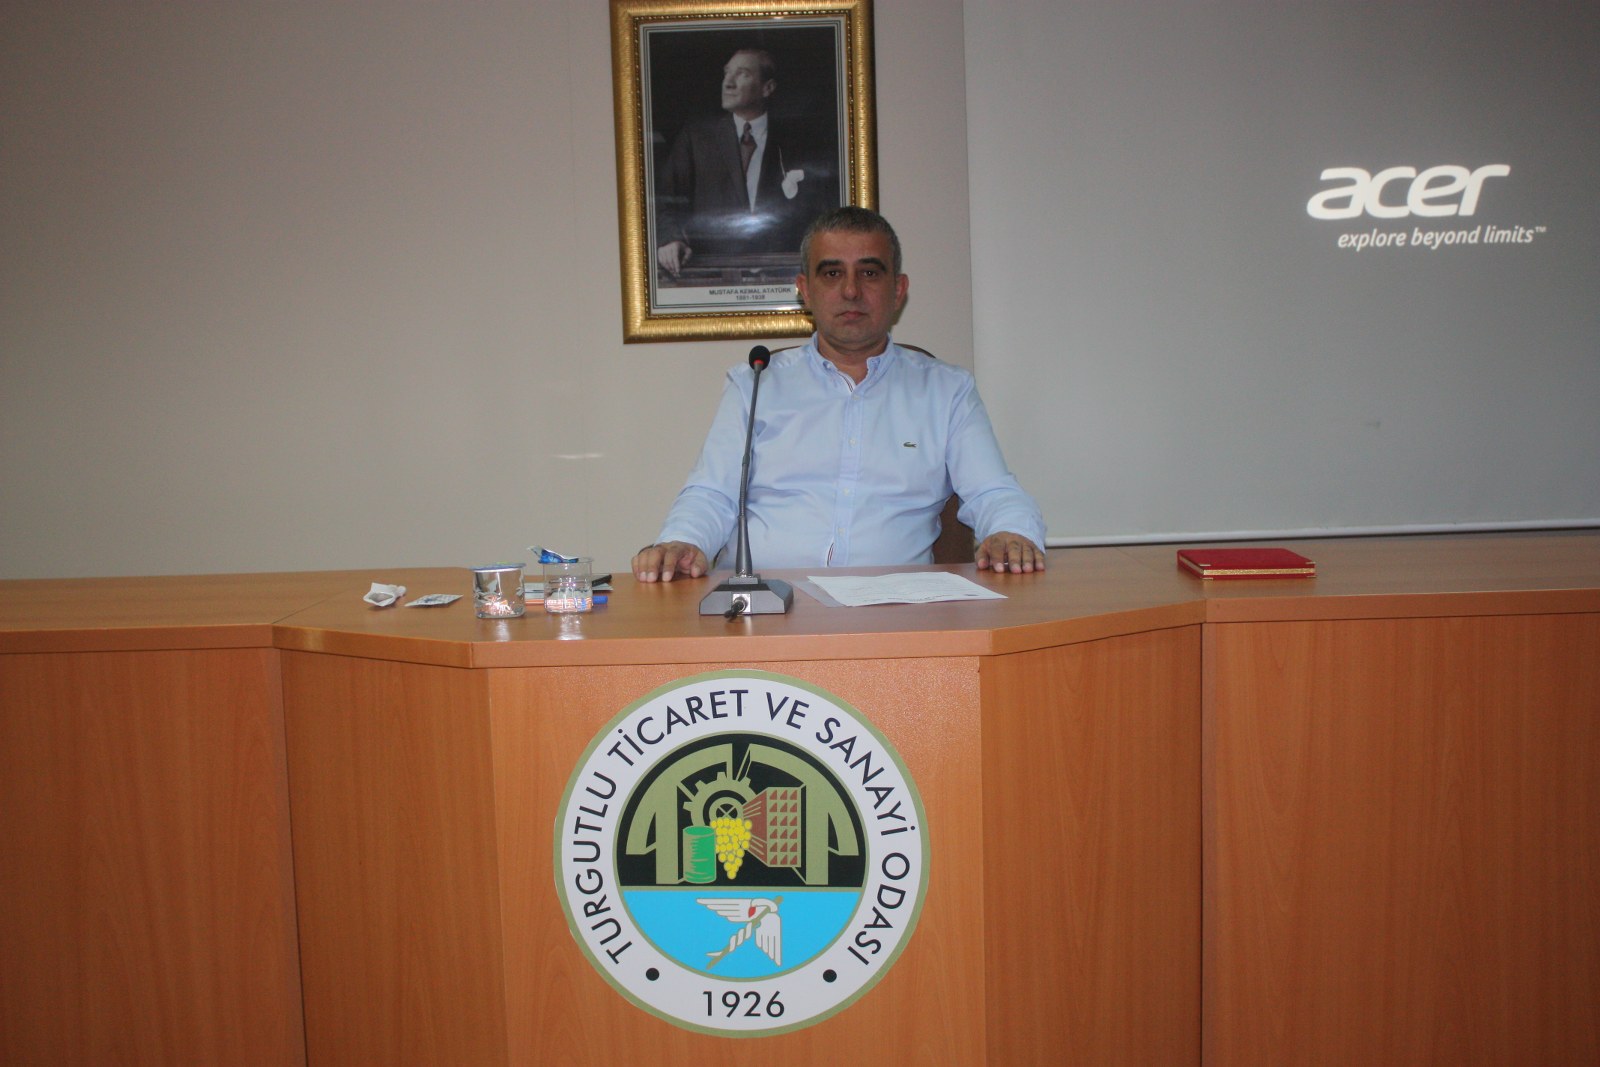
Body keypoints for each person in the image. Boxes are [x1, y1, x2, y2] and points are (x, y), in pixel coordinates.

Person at [634, 206, 1047, 582]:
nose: (851, 291)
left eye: (869, 273)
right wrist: (681, 541)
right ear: (805, 289)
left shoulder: (947, 390)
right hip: (762, 609)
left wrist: (1011, 533)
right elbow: (712, 494)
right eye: (832, 274)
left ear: (898, 289)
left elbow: (993, 492)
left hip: (896, 611)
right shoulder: (755, 384)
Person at [655, 48, 833, 279]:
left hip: (783, 273)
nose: (728, 83)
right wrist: (671, 239)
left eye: (743, 74)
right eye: (727, 73)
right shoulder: (696, 138)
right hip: (710, 274)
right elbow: (666, 201)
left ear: (767, 88)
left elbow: (819, 211)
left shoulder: (798, 141)